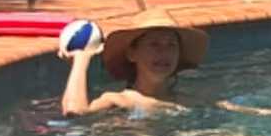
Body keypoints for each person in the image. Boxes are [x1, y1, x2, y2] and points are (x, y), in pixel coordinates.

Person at [58, 19, 207, 118]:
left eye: (172, 45)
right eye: (154, 44)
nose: (164, 52)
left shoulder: (189, 102)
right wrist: (81, 59)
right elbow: (74, 114)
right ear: (132, 54)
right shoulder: (118, 102)